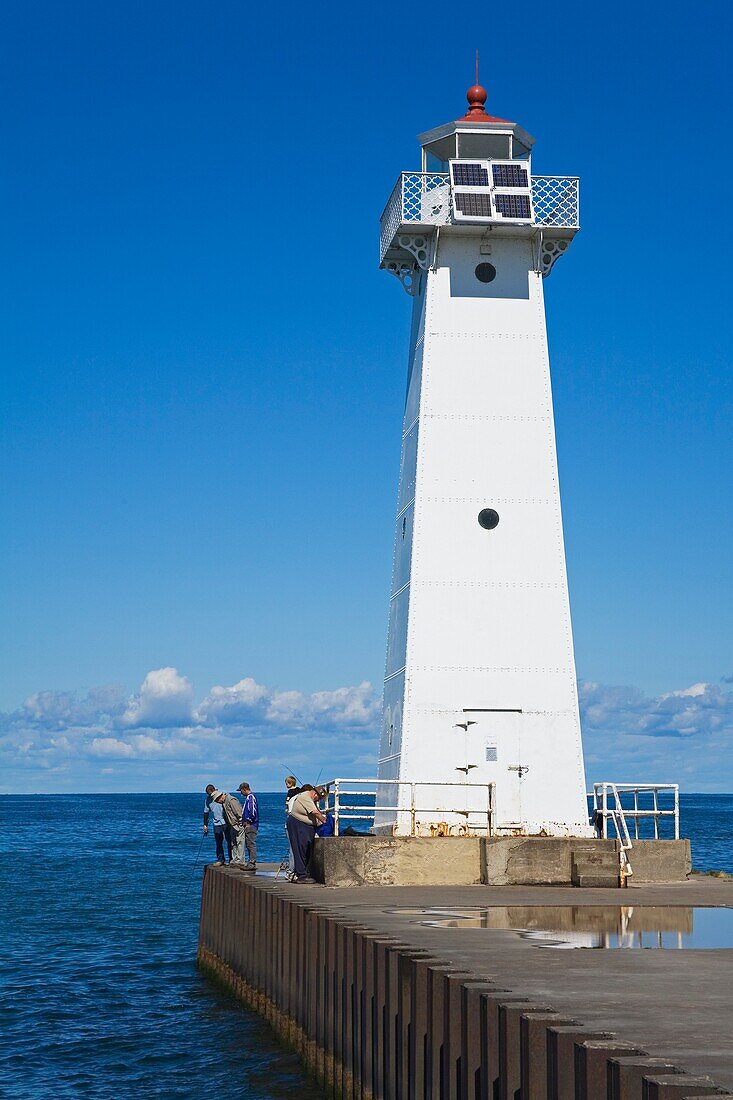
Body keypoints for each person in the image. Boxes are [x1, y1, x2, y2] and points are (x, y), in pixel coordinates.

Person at [286, 783, 326, 883]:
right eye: (319, 798)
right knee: (300, 849)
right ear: (315, 794)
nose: (318, 800)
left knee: (305, 849)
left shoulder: (309, 798)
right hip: (298, 824)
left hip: (305, 825)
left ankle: (302, 872)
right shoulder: (305, 797)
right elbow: (315, 812)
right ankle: (301, 875)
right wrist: (325, 820)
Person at [203, 783, 232, 865]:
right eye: (208, 794)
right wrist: (205, 825)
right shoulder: (208, 800)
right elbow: (206, 813)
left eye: (210, 794)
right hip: (217, 823)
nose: (210, 796)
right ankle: (220, 859)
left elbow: (231, 804)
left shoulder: (224, 793)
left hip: (226, 821)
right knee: (219, 842)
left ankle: (231, 859)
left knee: (229, 841)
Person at [236, 782, 259, 871]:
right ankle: (250, 862)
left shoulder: (251, 798)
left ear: (244, 789)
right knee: (249, 844)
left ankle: (252, 862)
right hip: (248, 824)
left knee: (251, 844)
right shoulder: (248, 798)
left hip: (251, 825)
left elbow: (252, 811)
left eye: (241, 791)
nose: (241, 793)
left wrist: (248, 821)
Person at [283, 776, 300, 880]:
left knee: (291, 848)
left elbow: (287, 806)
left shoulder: (290, 793)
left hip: (290, 821)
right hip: (298, 822)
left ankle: (290, 870)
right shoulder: (299, 792)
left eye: (286, 783)